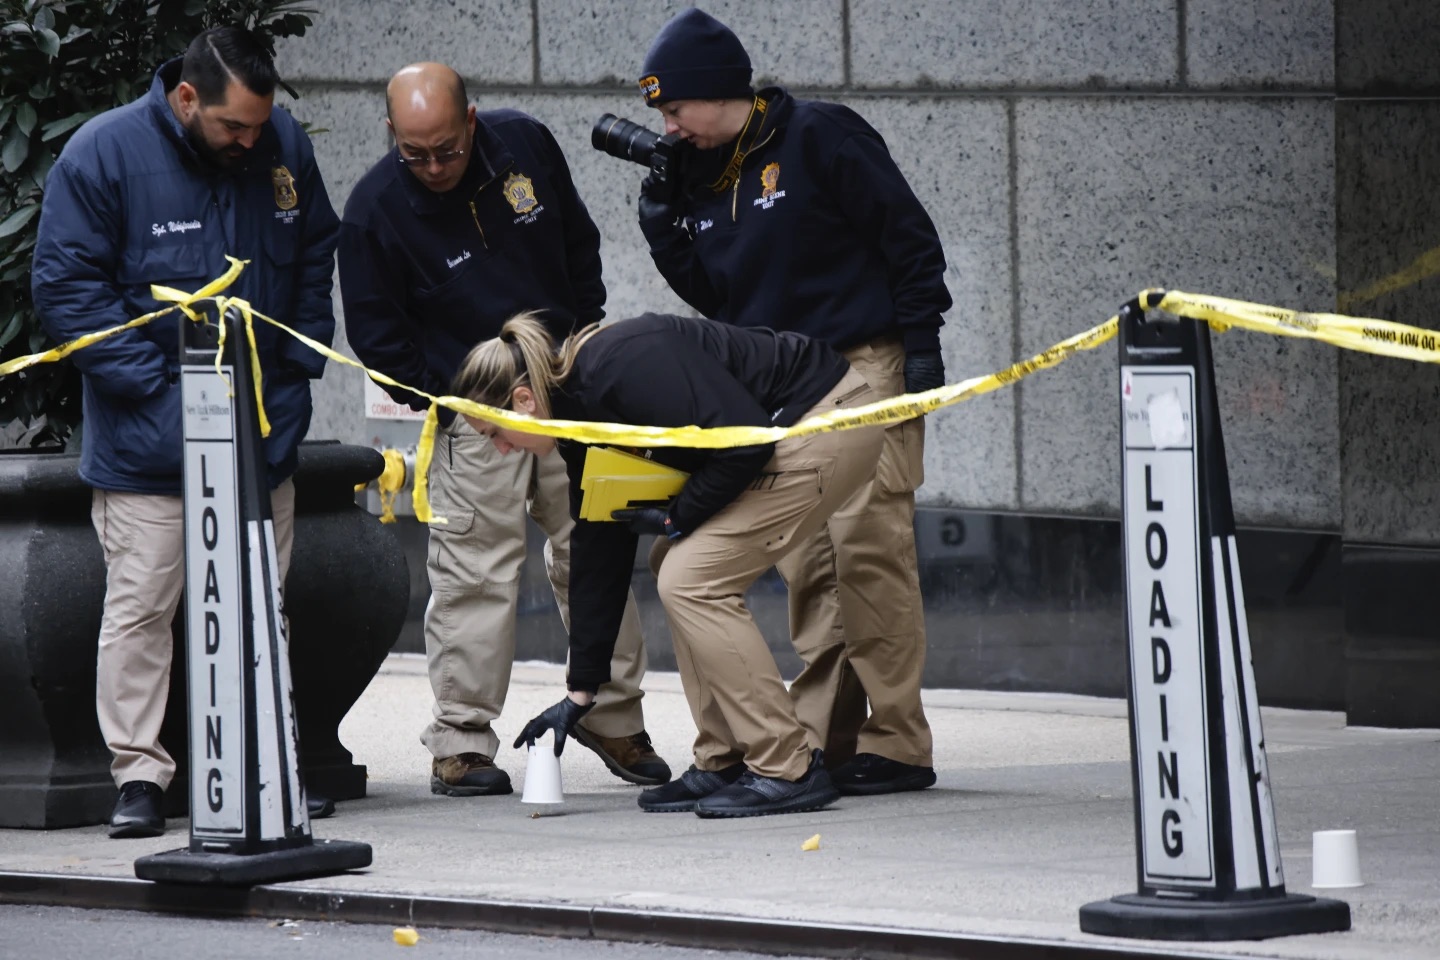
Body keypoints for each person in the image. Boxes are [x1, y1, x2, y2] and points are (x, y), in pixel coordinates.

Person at [630, 7, 950, 795]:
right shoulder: (706, 174)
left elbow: (908, 238)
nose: (669, 128)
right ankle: (825, 743)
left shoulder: (821, 137)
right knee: (810, 564)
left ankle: (898, 742)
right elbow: (716, 295)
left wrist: (923, 349)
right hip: (785, 382)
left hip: (863, 361)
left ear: (715, 91)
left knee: (869, 554)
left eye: (675, 110)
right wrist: (665, 227)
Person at [30, 27, 340, 838]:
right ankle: (139, 775)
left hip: (261, 431)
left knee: (257, 607)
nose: (250, 141)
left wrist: (297, 369)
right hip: (149, 444)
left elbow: (313, 251)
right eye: (234, 127)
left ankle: (259, 763)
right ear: (186, 98)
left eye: (259, 127)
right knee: (142, 610)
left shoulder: (280, 144)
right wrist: (165, 397)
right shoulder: (103, 153)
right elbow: (67, 289)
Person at [338, 63, 670, 797]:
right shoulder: (372, 212)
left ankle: (612, 714)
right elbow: (380, 344)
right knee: (472, 575)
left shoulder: (526, 145)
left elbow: (581, 246)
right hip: (473, 415)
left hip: (565, 392)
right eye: (413, 153)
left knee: (596, 549)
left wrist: (579, 348)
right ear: (392, 134)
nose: (432, 167)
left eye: (447, 149)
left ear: (473, 121)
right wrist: (471, 395)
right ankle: (461, 740)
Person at [454, 311, 885, 817]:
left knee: (691, 577)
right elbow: (599, 540)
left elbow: (744, 437)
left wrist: (678, 516)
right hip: (789, 425)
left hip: (826, 415)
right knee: (674, 566)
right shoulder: (576, 415)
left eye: (494, 434)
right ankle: (722, 760)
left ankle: (785, 766)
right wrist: (581, 692)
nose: (501, 450)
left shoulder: (620, 367)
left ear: (522, 402)